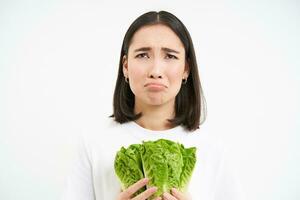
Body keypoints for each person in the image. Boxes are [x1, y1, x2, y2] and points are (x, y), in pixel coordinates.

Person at [61, 10, 245, 200]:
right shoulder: (93, 142)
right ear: (125, 66)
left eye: (170, 56)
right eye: (143, 55)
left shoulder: (213, 150)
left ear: (186, 68)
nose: (156, 71)